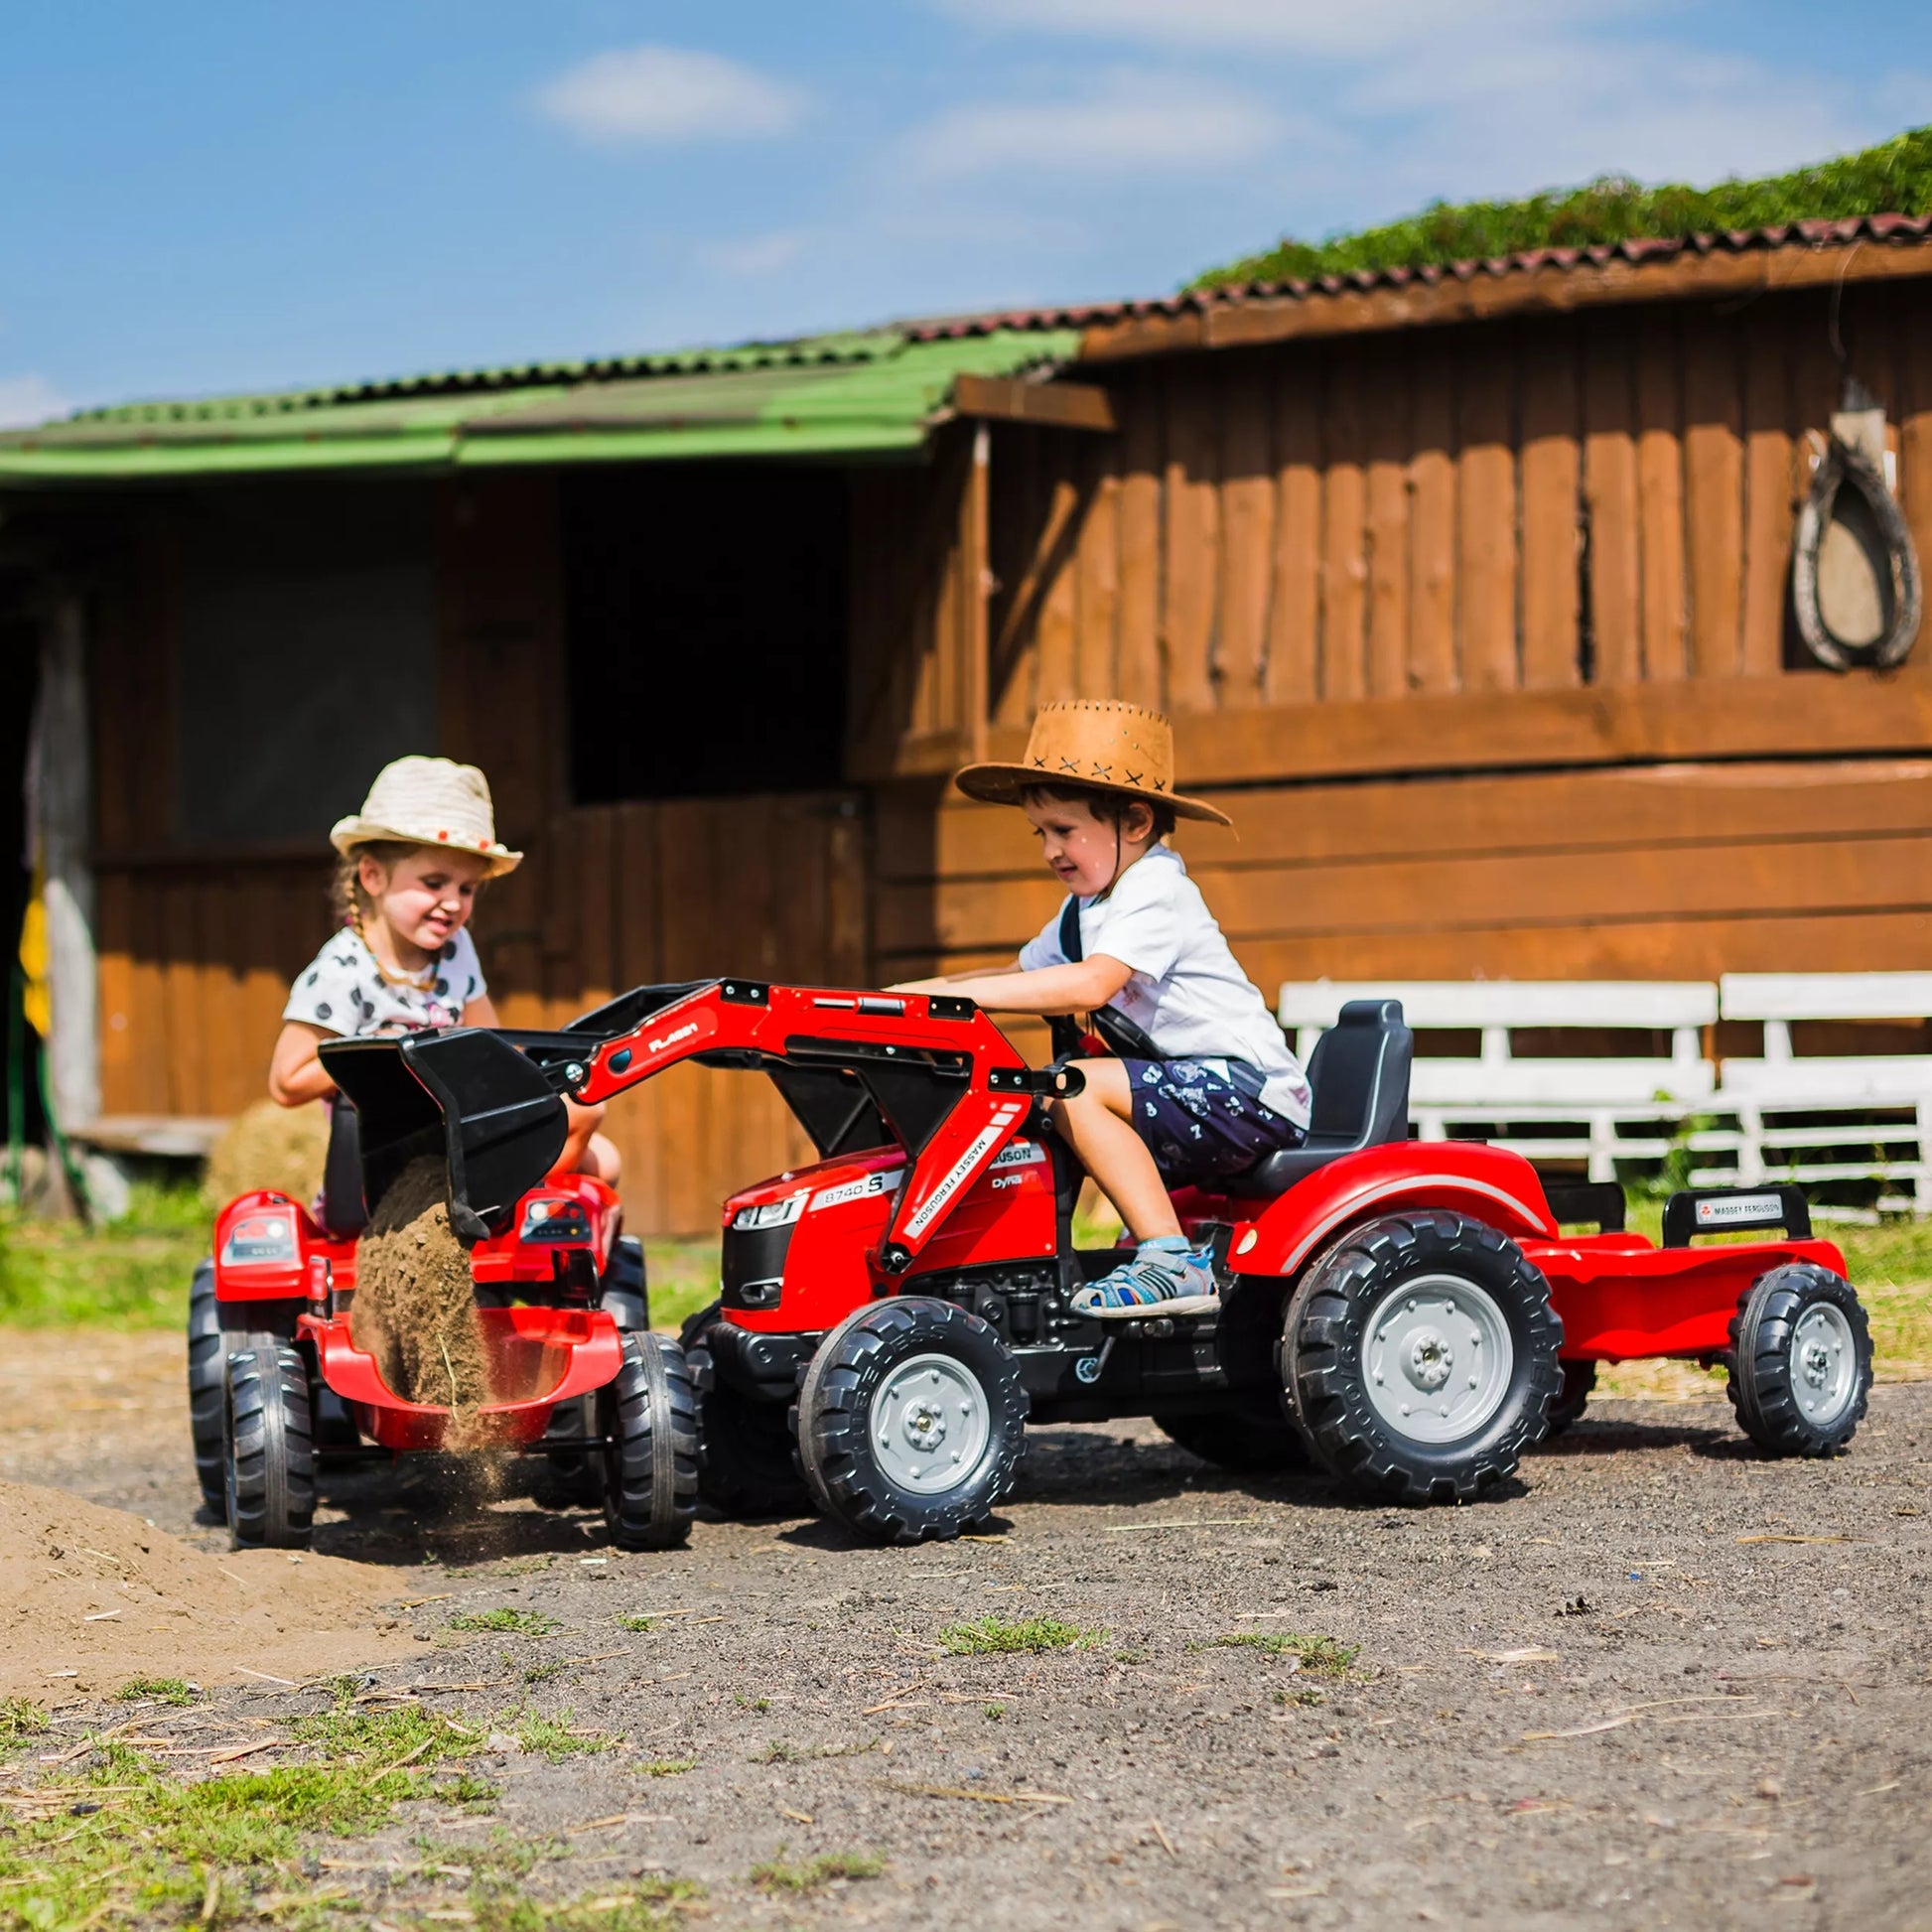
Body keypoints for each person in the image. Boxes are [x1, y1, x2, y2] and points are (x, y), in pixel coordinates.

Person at [892, 701, 1309, 1317]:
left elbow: (1090, 986)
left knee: (1074, 1086)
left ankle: (1171, 1260)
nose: (1049, 851)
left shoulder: (1156, 889)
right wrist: (913, 996)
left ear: (1135, 821)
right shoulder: (1085, 912)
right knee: (1031, 1103)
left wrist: (958, 997)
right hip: (1190, 1092)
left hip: (1248, 1093)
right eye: (1041, 833)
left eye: (1064, 830)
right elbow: (1016, 979)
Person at [268, 755, 619, 1182]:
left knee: (602, 1156)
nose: (453, 902)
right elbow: (286, 1083)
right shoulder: (343, 973)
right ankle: (512, 1203)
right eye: (434, 883)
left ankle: (529, 1210)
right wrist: (380, 1053)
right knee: (574, 1123)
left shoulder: (456, 951)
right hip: (392, 1149)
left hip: (460, 1121)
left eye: (467, 888)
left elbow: (493, 1045)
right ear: (373, 876)